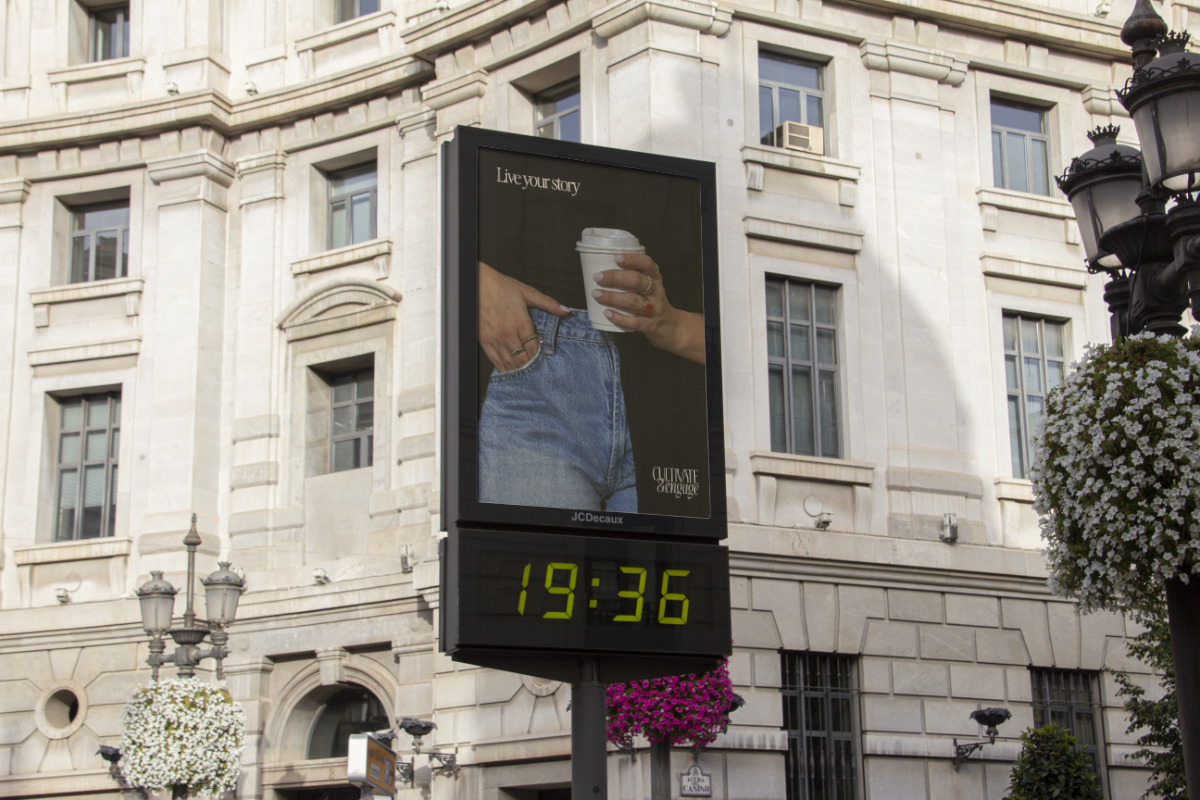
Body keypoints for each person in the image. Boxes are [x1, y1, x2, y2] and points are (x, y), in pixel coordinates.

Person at [476, 252, 705, 513]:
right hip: (534, 377)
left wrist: (674, 326)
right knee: (543, 552)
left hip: (667, 399)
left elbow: (741, 336)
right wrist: (473, 279)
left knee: (658, 554)